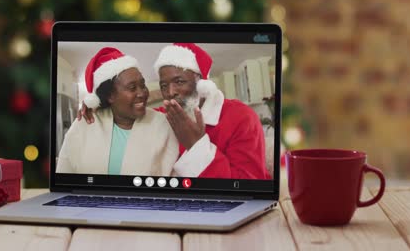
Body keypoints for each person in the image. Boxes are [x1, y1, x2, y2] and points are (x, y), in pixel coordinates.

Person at [79, 43, 271, 180]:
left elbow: (249, 186)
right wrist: (99, 106)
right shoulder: (162, 116)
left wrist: (196, 145)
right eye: (164, 85)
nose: (170, 92)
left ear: (201, 82)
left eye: (179, 82)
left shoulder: (242, 117)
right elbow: (126, 113)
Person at [57, 47, 178, 176]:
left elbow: (174, 176)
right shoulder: (85, 124)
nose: (142, 93)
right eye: (132, 88)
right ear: (110, 96)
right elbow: (64, 174)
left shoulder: (161, 123)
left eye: (143, 85)